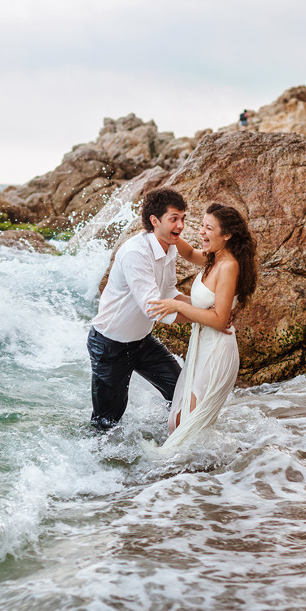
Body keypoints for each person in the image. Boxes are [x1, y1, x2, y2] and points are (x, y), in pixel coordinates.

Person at [147, 203, 258, 449]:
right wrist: (169, 231)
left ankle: (202, 477)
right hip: (202, 345)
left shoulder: (229, 266)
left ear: (226, 235)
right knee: (177, 423)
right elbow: (187, 253)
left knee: (187, 424)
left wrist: (179, 306)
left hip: (217, 350)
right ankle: (193, 480)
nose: (201, 232)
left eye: (208, 228)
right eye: (201, 226)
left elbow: (219, 320)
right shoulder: (213, 258)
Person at [87, 187, 191, 430]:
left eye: (183, 218)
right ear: (155, 221)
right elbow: (154, 309)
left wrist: (207, 306)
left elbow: (168, 293)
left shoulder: (169, 246)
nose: (181, 225)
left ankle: (173, 441)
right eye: (174, 218)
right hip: (109, 346)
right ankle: (102, 466)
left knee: (180, 390)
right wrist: (206, 317)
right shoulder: (136, 253)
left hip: (141, 342)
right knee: (106, 423)